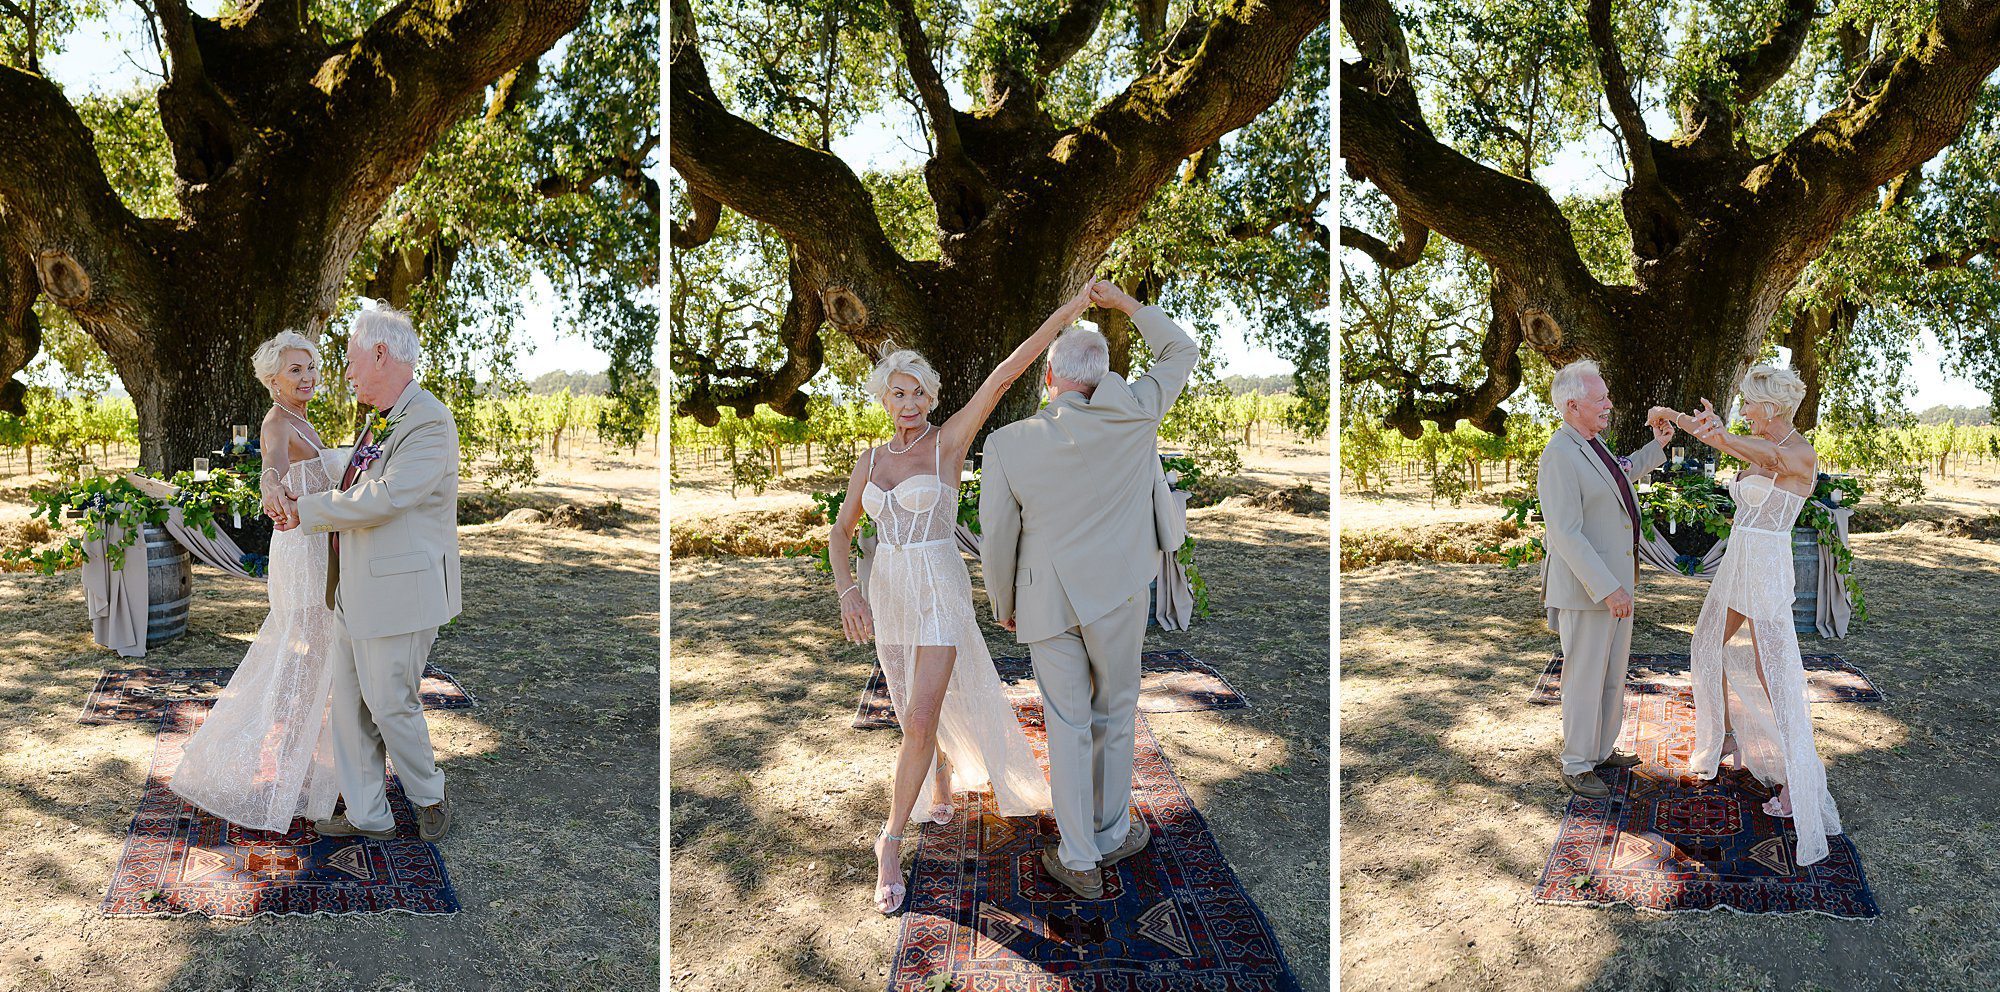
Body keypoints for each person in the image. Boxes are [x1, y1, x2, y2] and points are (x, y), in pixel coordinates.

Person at [828, 287, 1100, 913]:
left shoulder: (947, 443)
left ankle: (889, 842)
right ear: (882, 397)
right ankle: (941, 775)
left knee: (920, 716)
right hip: (889, 591)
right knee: (908, 708)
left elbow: (1005, 376)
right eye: (898, 391)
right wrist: (848, 591)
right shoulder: (868, 461)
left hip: (941, 589)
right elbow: (841, 535)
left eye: (919, 392)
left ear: (933, 399)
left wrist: (1064, 314)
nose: (909, 403)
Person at [978, 282, 1198, 900]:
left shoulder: (1008, 443)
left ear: (1050, 377)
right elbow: (1181, 351)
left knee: (1066, 723)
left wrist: (1002, 602)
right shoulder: (1138, 410)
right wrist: (1127, 305)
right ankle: (1109, 832)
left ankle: (1077, 859)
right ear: (1103, 375)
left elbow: (998, 536)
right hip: (1122, 592)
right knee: (1115, 712)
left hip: (1044, 600)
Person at [274, 305, 460, 843]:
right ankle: (367, 814)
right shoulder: (383, 417)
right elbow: (354, 472)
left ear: (381, 354)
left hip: (400, 588)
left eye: (352, 361)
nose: (347, 373)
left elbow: (387, 495)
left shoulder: (428, 419)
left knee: (388, 702)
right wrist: (293, 482)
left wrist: (307, 511)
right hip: (354, 584)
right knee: (350, 704)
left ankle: (429, 795)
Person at [1651, 366, 1844, 865]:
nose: (1743, 413)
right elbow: (1728, 441)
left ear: (1773, 408)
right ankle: (1722, 739)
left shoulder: (1798, 453)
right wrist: (1675, 417)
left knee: (1773, 673)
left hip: (1766, 568)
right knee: (1705, 644)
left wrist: (1721, 436)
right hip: (1738, 562)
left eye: (1749, 405)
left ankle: (1795, 786)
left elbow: (1769, 457)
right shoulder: (1752, 442)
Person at [171, 332, 344, 832]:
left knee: (317, 665)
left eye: (311, 367)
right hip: (303, 553)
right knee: (307, 666)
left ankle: (307, 768)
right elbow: (272, 468)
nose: (308, 376)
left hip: (318, 546)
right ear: (272, 380)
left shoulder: (303, 420)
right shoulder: (275, 423)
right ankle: (286, 773)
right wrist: (271, 488)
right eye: (295, 370)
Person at [1536, 360, 1670, 799]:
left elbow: (1623, 472)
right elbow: (1566, 534)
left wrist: (1657, 446)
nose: (1609, 405)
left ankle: (1600, 749)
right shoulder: (1559, 454)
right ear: (1572, 405)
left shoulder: (1594, 445)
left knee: (1613, 674)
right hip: (1588, 590)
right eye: (1600, 399)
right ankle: (1576, 763)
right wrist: (1608, 587)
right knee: (1583, 677)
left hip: (1617, 584)